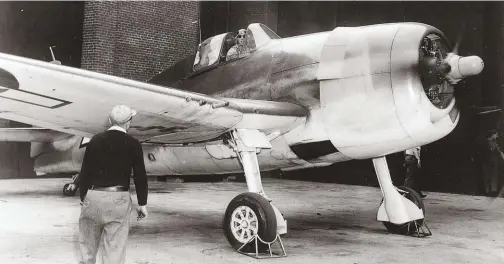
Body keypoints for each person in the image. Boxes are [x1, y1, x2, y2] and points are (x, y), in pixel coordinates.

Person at [78, 105, 148, 264]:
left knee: (87, 251)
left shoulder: (95, 140)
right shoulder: (133, 143)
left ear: (110, 120)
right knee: (114, 253)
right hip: (119, 199)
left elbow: (85, 172)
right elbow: (140, 176)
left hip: (93, 197)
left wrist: (84, 198)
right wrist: (142, 203)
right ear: (129, 122)